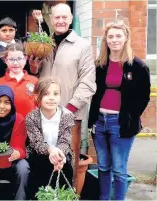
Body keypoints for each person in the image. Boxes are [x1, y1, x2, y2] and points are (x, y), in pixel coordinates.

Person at [30, 3, 96, 185]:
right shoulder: (45, 44)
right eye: (57, 17)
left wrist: (69, 109)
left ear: (71, 19)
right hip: (43, 113)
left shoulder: (82, 46)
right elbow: (36, 74)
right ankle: (42, 195)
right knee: (43, 157)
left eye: (64, 17)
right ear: (51, 20)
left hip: (70, 113)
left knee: (68, 160)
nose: (60, 21)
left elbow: (88, 82)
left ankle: (68, 195)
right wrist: (34, 68)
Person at [88, 20, 151, 200]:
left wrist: (129, 117)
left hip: (121, 124)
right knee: (103, 167)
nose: (114, 40)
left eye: (118, 36)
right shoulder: (100, 64)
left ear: (126, 38)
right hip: (100, 122)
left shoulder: (137, 66)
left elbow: (143, 97)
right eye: (110, 36)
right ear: (105, 40)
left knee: (119, 169)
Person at [26, 78, 75, 199]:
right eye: (46, 94)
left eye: (56, 94)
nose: (52, 98)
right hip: (39, 153)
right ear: (37, 97)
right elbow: (36, 142)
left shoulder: (67, 115)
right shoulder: (31, 117)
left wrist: (59, 155)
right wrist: (50, 150)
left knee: (66, 166)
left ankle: (64, 196)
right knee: (39, 169)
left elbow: (65, 140)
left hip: (60, 153)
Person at [0, 43, 38, 118]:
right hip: (7, 127)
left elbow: (40, 105)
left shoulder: (34, 81)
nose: (15, 63)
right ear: (5, 60)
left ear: (25, 58)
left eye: (19, 59)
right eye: (11, 59)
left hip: (29, 126)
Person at [0, 17, 17, 86]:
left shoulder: (23, 46)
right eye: (4, 30)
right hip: (3, 87)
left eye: (11, 30)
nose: (8, 34)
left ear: (15, 31)